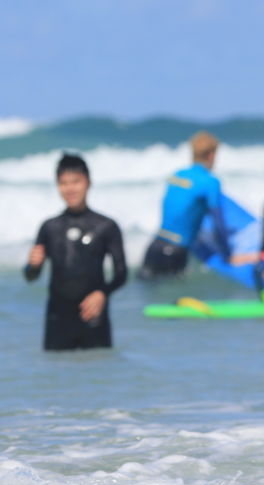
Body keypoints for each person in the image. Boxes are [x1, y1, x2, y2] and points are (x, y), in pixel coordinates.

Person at [24, 153, 127, 351]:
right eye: (63, 183)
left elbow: (121, 273)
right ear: (57, 186)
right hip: (57, 318)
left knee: (99, 375)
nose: (70, 188)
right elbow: (30, 276)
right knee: (55, 376)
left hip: (94, 316)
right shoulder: (49, 227)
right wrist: (32, 265)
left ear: (88, 182)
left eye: (75, 182)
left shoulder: (106, 226)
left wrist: (102, 293)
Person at [140, 131, 227, 278]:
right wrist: (227, 252)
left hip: (154, 246)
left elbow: (180, 211)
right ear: (211, 155)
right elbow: (218, 222)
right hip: (175, 251)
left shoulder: (177, 175)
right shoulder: (210, 182)